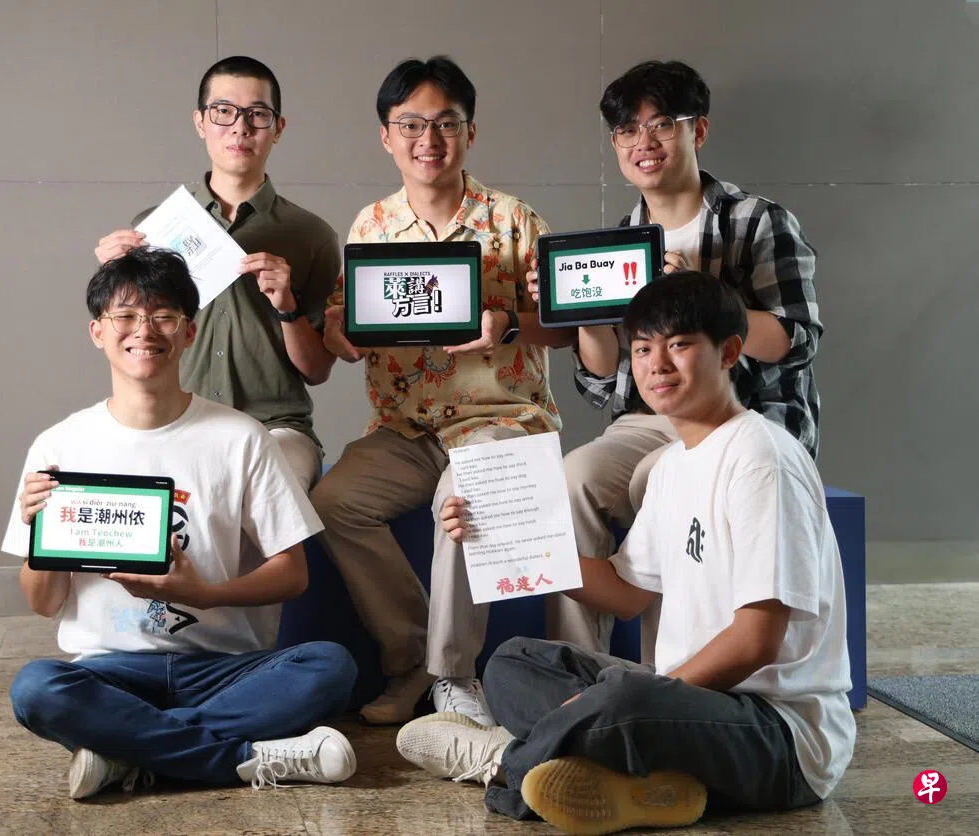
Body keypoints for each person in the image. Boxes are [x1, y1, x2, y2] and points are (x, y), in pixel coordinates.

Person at [399, 271, 855, 834]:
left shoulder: (761, 458)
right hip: (685, 703)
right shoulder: (673, 466)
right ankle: (643, 783)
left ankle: (504, 762)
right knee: (515, 664)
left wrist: (640, 693)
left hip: (780, 735)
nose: (657, 364)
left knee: (623, 702)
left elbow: (756, 640)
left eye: (679, 345)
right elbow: (626, 592)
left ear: (729, 352)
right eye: (642, 349)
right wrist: (500, 537)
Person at [5, 248, 358, 800]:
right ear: (97, 332)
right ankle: (243, 758)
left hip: (224, 669)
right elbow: (44, 604)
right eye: (125, 316)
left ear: (189, 331)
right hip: (111, 671)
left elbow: (293, 575)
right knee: (37, 688)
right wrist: (39, 538)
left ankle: (126, 751)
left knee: (329, 666)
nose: (144, 331)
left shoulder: (242, 438)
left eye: (163, 316)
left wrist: (203, 594)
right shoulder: (60, 446)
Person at [312, 55, 574, 727]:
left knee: (464, 499)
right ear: (386, 136)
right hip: (405, 429)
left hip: (501, 420)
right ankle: (409, 661)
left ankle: (454, 676)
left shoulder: (515, 221)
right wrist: (341, 334)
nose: (428, 140)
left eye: (446, 123)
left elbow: (567, 330)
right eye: (411, 124)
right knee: (335, 503)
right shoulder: (370, 226)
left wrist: (508, 323)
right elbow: (345, 326)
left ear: (469, 132)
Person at [539, 60, 823, 656]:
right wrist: (582, 314)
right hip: (649, 418)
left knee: (660, 479)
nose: (643, 142)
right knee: (572, 480)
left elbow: (796, 339)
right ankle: (577, 667)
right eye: (627, 130)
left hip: (741, 415)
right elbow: (605, 384)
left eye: (662, 124)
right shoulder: (619, 241)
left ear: (699, 130)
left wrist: (708, 296)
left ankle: (668, 672)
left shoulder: (756, 221)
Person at [94, 56, 340, 490]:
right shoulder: (152, 229)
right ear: (200, 122)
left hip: (275, 428)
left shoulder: (312, 235)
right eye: (223, 111)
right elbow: (131, 339)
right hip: (173, 421)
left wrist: (287, 308)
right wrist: (114, 280)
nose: (239, 128)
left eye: (257, 114)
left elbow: (317, 370)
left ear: (278, 128)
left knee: (266, 495)